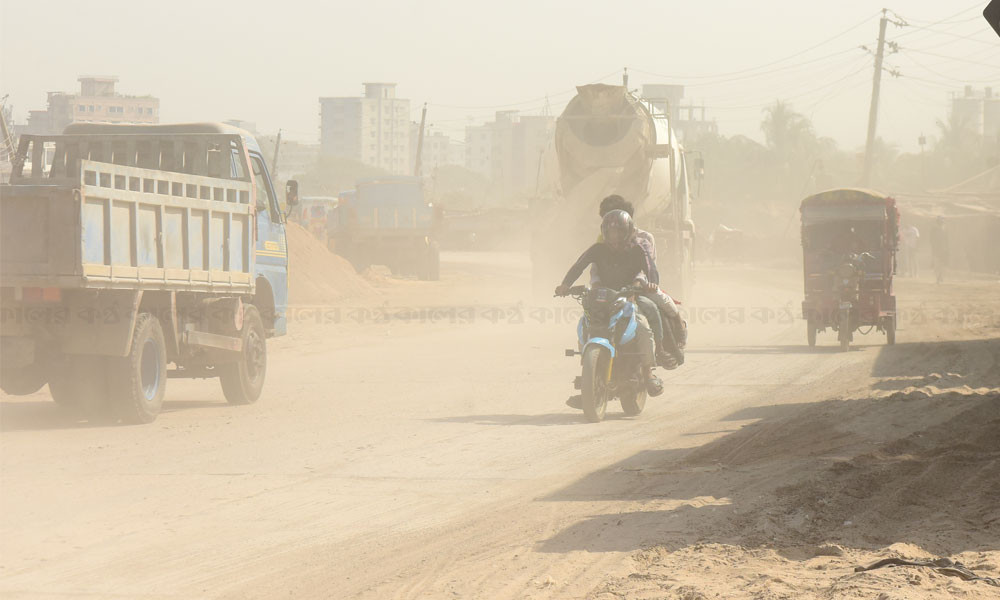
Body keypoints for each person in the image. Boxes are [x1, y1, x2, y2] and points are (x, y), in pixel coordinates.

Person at [555, 210, 664, 397]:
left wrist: (652, 284)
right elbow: (579, 265)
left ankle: (648, 373)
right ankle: (589, 375)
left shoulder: (638, 250)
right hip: (601, 299)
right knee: (585, 324)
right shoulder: (597, 249)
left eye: (618, 232)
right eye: (610, 232)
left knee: (643, 327)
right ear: (604, 232)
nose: (614, 237)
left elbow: (650, 269)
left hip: (627, 297)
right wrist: (565, 285)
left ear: (627, 232)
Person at [595, 195, 686, 368]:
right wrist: (596, 283)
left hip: (641, 286)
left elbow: (646, 267)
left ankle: (670, 341)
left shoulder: (644, 238)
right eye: (607, 220)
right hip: (612, 288)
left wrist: (637, 284)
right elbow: (597, 263)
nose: (611, 227)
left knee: (659, 304)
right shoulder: (602, 239)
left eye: (615, 221)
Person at [930, 216, 948, 284]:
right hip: (937, 249)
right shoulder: (934, 230)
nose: (942, 223)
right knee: (937, 264)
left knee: (941, 264)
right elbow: (931, 240)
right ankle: (938, 277)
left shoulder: (944, 230)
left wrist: (947, 248)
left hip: (942, 249)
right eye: (940, 222)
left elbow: (946, 240)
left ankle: (940, 276)